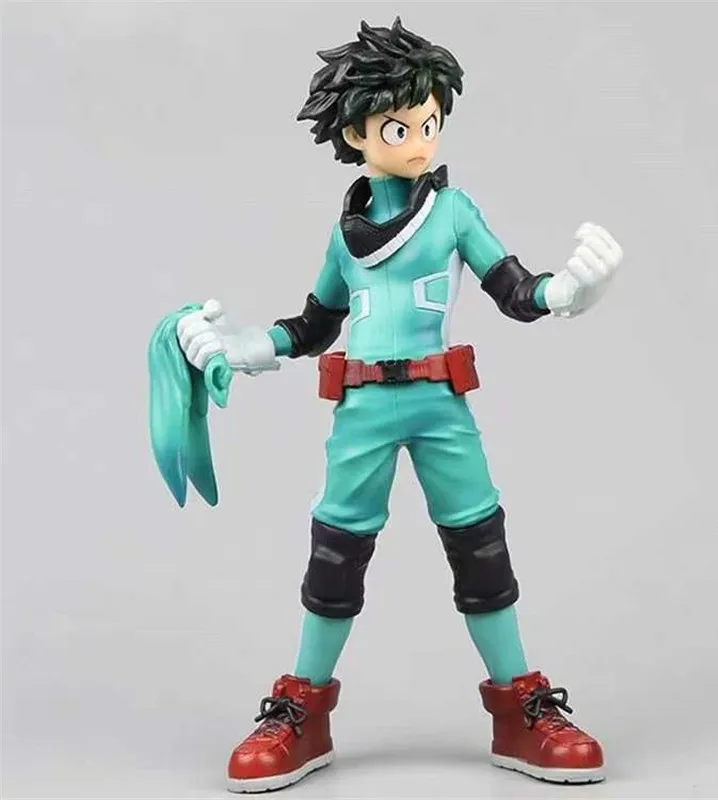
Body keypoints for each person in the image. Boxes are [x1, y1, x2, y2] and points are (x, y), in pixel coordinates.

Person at [170, 17, 623, 792]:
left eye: (430, 122)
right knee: (335, 553)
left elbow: (515, 290)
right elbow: (313, 324)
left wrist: (569, 290)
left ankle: (521, 709)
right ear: (355, 132)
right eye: (399, 126)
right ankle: (302, 711)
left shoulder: (453, 212)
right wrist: (241, 346)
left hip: (440, 403)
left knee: (481, 547)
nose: (420, 140)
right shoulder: (344, 237)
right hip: (363, 411)